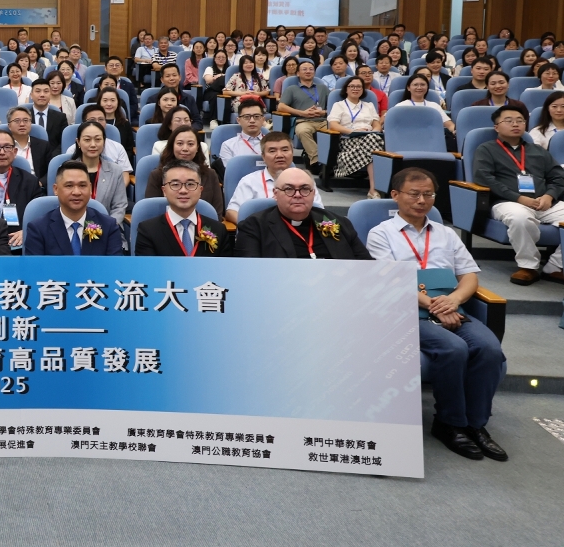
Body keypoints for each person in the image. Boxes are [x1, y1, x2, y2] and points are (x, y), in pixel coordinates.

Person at [360, 168, 509, 461]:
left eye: (428, 194)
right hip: (406, 311)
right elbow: (390, 281)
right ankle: (449, 423)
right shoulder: (381, 234)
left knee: (489, 348)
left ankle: (475, 424)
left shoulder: (446, 234)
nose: (422, 200)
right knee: (452, 348)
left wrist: (453, 301)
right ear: (395, 195)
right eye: (414, 194)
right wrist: (434, 306)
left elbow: (469, 276)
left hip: (451, 307)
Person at [473, 105, 564, 285]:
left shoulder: (538, 151)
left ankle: (555, 265)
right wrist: (519, 198)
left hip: (543, 202)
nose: (515, 124)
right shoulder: (486, 149)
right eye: (509, 121)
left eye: (520, 121)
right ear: (496, 127)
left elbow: (558, 177)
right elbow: (484, 178)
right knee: (520, 217)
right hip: (507, 202)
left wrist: (549, 196)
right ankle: (528, 266)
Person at [233, 167, 370, 258]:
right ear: (275, 194)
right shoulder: (254, 226)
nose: (297, 195)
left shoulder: (340, 223)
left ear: (313, 194)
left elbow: (365, 267)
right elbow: (249, 273)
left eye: (305, 189)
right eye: (289, 189)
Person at [23, 160, 124, 255]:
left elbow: (114, 266)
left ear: (90, 189)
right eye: (69, 186)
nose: (76, 192)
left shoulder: (108, 226)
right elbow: (35, 267)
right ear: (56, 189)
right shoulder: (38, 229)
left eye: (82, 185)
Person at [134, 159, 230, 257]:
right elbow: (147, 267)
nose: (183, 191)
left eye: (190, 184)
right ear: (164, 191)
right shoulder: (148, 231)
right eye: (175, 185)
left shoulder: (219, 230)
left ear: (200, 190)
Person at [225, 131, 324, 223]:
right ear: (263, 156)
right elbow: (231, 212)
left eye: (285, 150)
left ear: (292, 153)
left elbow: (319, 211)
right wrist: (253, 228)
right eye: (272, 151)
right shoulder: (250, 181)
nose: (279, 155)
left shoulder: (305, 180)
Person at [0, 128, 40, 248]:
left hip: (17, 242)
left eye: (7, 147)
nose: (2, 152)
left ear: (15, 152)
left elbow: (39, 215)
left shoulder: (30, 181)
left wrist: (26, 231)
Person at [145, 126, 226, 217]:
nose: (185, 148)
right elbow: (152, 211)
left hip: (204, 225)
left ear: (197, 148)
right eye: (180, 143)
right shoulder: (157, 175)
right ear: (172, 146)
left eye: (190, 144)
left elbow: (217, 214)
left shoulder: (210, 174)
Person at [326, 77, 384, 193]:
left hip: (369, 137)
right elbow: (333, 125)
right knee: (375, 146)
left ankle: (373, 189)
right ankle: (374, 189)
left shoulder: (369, 106)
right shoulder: (339, 105)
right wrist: (352, 131)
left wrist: (372, 131)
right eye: (352, 86)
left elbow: (376, 124)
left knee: (373, 140)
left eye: (359, 87)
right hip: (348, 140)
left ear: (363, 90)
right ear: (346, 89)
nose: (355, 89)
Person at [71, 120, 127, 232]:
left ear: (104, 141)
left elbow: (119, 207)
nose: (93, 144)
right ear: (78, 142)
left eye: (98, 139)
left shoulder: (115, 170)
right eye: (87, 140)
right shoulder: (67, 171)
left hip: (108, 230)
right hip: (73, 229)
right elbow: (62, 204)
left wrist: (104, 229)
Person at [219, 97, 268, 162]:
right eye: (246, 117)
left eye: (256, 116)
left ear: (263, 120)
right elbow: (229, 168)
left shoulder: (273, 144)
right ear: (238, 120)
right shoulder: (228, 146)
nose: (252, 121)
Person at [28, 80, 68, 147]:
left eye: (46, 91)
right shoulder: (23, 117)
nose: (42, 95)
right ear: (31, 95)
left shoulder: (60, 117)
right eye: (38, 91)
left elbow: (63, 143)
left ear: (50, 95)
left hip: (54, 153)